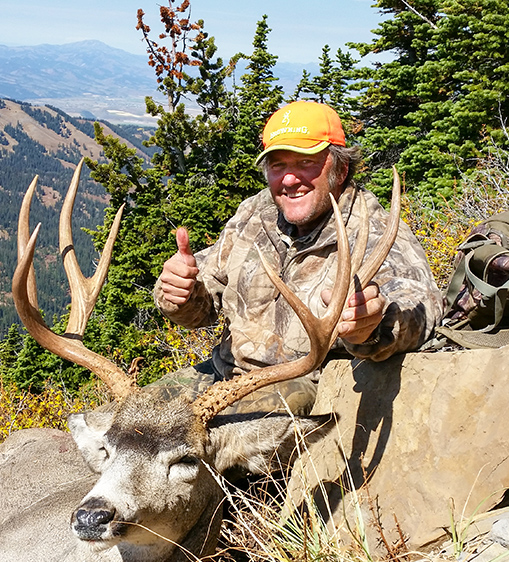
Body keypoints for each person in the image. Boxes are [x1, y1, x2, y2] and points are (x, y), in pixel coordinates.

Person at [152, 101, 442, 415]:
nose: (289, 180)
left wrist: (373, 327)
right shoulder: (256, 213)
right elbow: (204, 306)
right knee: (119, 421)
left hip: (305, 387)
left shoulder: (374, 231)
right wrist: (180, 292)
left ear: (340, 168)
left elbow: (421, 306)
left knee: (184, 442)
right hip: (224, 375)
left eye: (305, 163)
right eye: (278, 165)